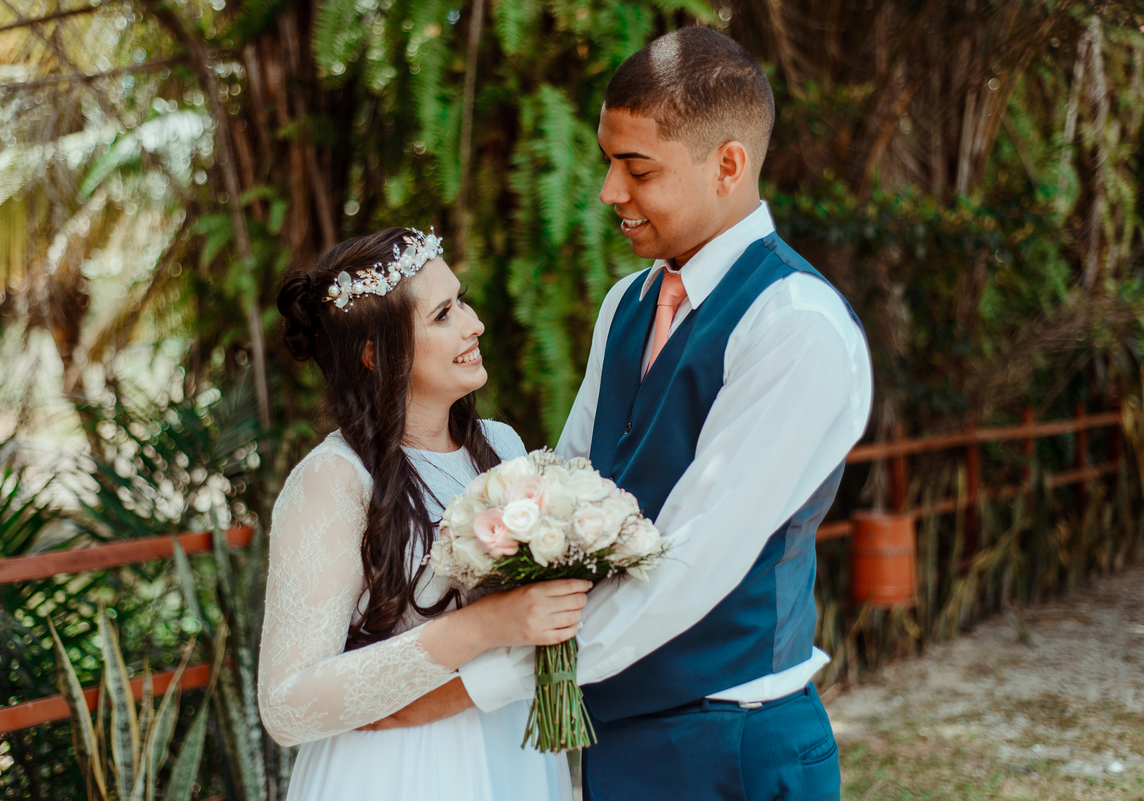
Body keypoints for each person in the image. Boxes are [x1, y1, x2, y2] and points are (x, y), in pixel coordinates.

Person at [440, 28, 872, 800]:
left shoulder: (794, 325)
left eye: (637, 169)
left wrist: (478, 678)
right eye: (608, 162)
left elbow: (690, 562)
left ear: (728, 166)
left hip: (733, 745)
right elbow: (569, 481)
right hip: (618, 740)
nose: (610, 191)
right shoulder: (627, 304)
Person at [257, 227, 588, 801]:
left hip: (516, 750)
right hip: (397, 768)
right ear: (375, 354)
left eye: (461, 301)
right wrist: (483, 626)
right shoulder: (333, 480)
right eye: (442, 315)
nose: (473, 324)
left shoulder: (502, 446)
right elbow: (286, 706)